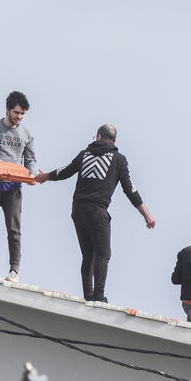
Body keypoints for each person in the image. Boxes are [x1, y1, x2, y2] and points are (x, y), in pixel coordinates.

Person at [35, 124, 155, 302]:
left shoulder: (84, 154)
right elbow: (130, 189)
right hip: (97, 211)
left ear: (98, 136)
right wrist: (146, 214)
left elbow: (64, 171)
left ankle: (88, 295)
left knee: (88, 255)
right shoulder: (118, 159)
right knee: (103, 254)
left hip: (78, 210)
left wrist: (45, 177)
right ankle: (98, 297)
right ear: (114, 141)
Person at [0, 90, 37, 282]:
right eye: (16, 112)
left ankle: (14, 270)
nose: (19, 117)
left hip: (14, 187)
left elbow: (31, 160)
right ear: (8, 110)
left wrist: (33, 174)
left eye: (22, 114)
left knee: (14, 229)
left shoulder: (27, 134)